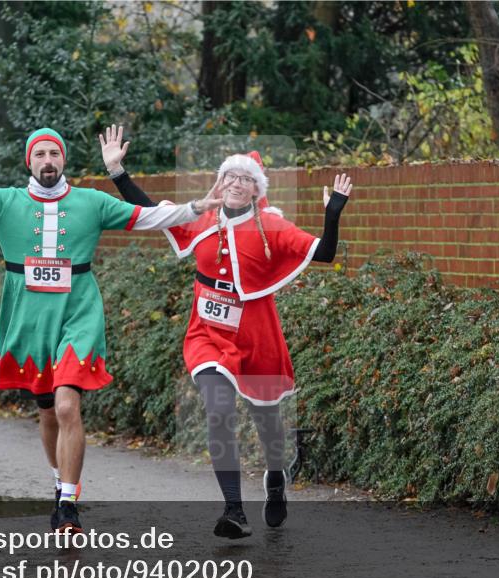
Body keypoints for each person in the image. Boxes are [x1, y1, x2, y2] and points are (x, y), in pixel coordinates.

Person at [0, 117, 222, 533]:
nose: (48, 160)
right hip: (29, 320)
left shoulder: (92, 202)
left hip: (78, 314)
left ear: (64, 159)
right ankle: (59, 480)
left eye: (54, 153)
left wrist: (196, 207)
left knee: (68, 405)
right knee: (48, 411)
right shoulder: (5, 201)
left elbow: (148, 217)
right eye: (40, 154)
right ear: (29, 161)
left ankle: (68, 503)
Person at [99, 125, 352, 538]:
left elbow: (323, 253)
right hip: (207, 335)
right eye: (230, 176)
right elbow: (150, 212)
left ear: (256, 191)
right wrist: (117, 172)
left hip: (256, 335)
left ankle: (275, 477)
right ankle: (234, 510)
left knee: (268, 423)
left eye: (246, 179)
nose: (236, 183)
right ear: (220, 182)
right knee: (218, 411)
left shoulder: (273, 226)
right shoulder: (200, 217)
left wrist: (333, 213)